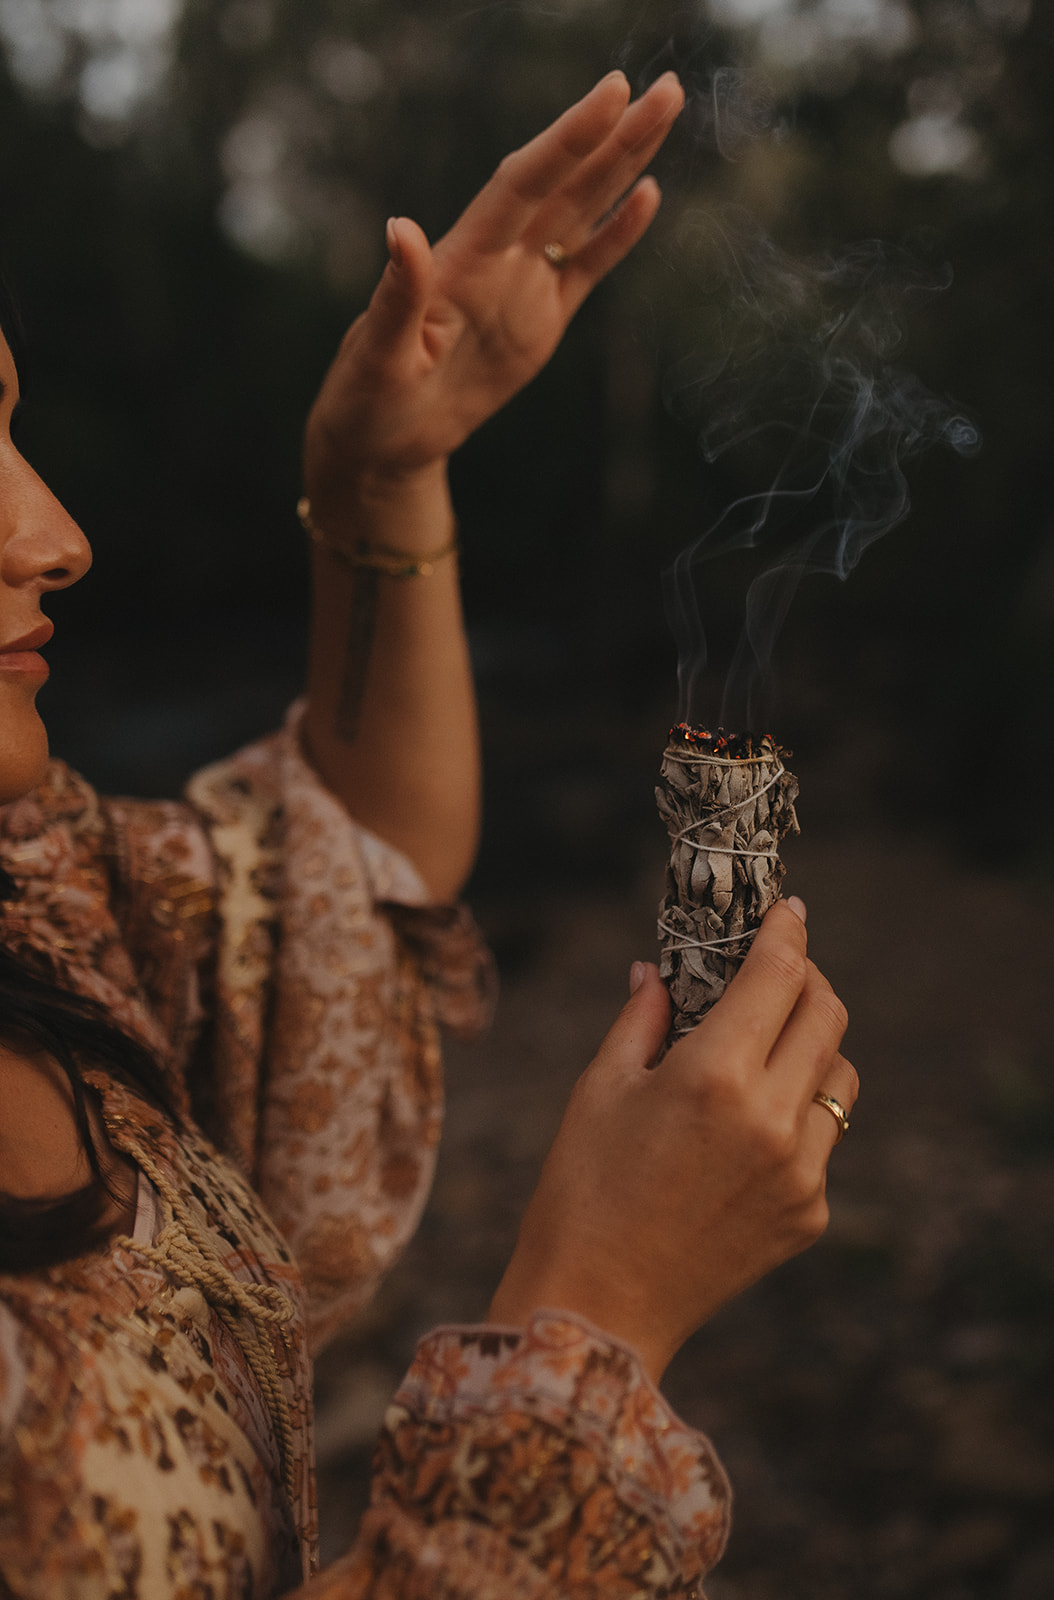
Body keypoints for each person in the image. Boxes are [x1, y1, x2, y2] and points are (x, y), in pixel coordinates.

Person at [0, 69, 857, 1599]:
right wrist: (591, 1322)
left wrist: (382, 474)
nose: (55, 535)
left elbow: (338, 871)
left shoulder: (30, 893)